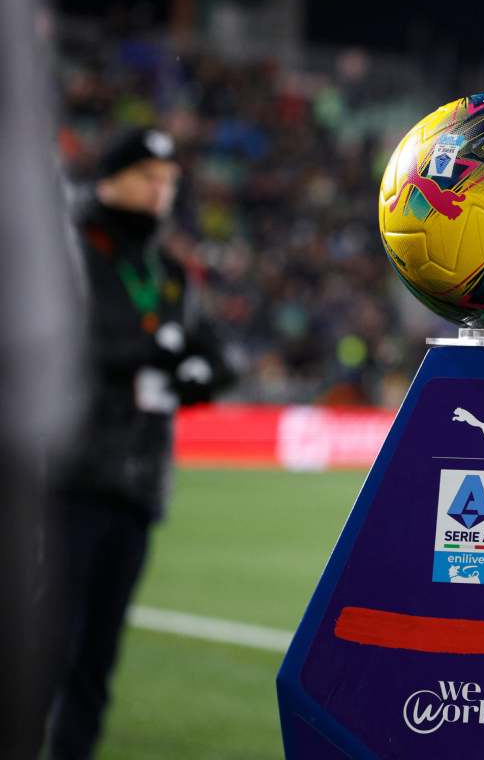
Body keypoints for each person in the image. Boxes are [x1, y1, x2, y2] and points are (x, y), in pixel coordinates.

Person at [42, 128, 231, 759]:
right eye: (148, 175)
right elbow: (68, 346)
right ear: (112, 177)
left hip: (138, 486)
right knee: (43, 650)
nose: (161, 189)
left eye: (169, 179)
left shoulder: (170, 271)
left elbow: (215, 360)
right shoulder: (71, 251)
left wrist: (194, 373)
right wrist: (155, 354)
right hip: (67, 477)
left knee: (97, 659)